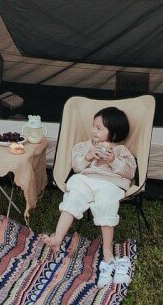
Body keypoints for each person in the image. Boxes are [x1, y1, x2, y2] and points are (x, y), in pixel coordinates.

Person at [40, 107, 137, 287]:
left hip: (110, 184)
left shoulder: (121, 151)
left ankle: (107, 250)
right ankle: (57, 238)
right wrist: (88, 155)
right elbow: (77, 166)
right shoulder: (84, 146)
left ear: (114, 133)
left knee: (107, 202)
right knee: (74, 193)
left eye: (99, 128)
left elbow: (130, 172)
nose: (93, 131)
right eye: (93, 126)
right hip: (85, 180)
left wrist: (113, 160)